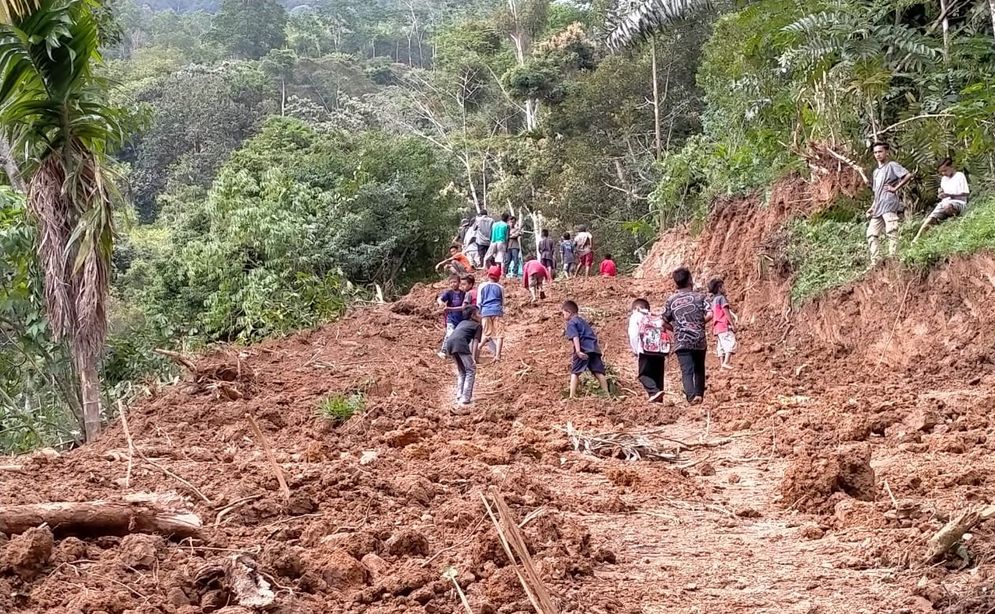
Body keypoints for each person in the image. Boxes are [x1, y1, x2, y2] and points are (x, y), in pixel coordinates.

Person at [663, 267, 712, 404]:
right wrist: (699, 324)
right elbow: (710, 314)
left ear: (675, 283)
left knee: (686, 370)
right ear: (690, 280)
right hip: (699, 339)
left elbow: (663, 321)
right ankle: (699, 395)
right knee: (699, 368)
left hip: (681, 340)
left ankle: (691, 397)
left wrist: (675, 329)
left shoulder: (671, 300)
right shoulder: (700, 297)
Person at [867, 142, 913, 265]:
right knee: (871, 234)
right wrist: (872, 207)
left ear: (886, 152)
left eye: (880, 151)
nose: (878, 154)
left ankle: (894, 257)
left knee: (892, 230)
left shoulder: (892, 165)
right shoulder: (876, 172)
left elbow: (908, 175)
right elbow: (876, 192)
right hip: (878, 207)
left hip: (889, 202)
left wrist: (895, 188)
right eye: (875, 152)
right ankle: (875, 262)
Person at [914, 158, 970, 242]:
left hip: (959, 202)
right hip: (944, 202)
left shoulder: (959, 176)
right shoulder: (944, 179)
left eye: (945, 170)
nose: (944, 173)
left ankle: (956, 223)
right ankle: (916, 239)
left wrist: (949, 195)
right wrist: (941, 194)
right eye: (942, 172)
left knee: (948, 207)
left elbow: (965, 194)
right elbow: (944, 193)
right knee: (930, 218)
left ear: (951, 167)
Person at [562, 300, 609, 399]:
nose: (563, 315)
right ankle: (607, 395)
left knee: (575, 373)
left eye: (563, 313)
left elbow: (575, 337)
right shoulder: (582, 321)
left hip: (583, 349)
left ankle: (571, 396)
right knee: (599, 372)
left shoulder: (571, 323)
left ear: (569, 312)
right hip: (594, 349)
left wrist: (578, 351)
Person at [628, 299, 670, 403]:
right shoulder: (656, 316)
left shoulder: (636, 316)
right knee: (658, 376)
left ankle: (653, 392)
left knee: (644, 375)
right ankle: (659, 400)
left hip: (645, 349)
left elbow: (633, 334)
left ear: (636, 308)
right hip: (660, 350)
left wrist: (636, 350)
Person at [444, 304, 483, 407]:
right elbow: (475, 343)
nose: (481, 315)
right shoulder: (478, 326)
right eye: (479, 313)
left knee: (462, 371)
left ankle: (459, 394)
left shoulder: (462, 323)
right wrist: (474, 358)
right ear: (473, 315)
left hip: (450, 343)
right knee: (471, 370)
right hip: (460, 344)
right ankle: (465, 397)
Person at [707, 277, 739, 370]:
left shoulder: (713, 301)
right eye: (723, 287)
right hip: (724, 325)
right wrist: (732, 324)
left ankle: (722, 366)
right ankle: (726, 362)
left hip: (716, 327)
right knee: (731, 343)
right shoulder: (721, 298)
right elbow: (726, 311)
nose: (725, 288)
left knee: (721, 346)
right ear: (720, 288)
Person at [477, 266, 505, 361]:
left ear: (488, 275)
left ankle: (477, 349)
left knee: (486, 333)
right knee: (499, 335)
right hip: (497, 311)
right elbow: (502, 302)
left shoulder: (482, 286)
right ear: (498, 277)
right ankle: (498, 356)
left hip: (485, 311)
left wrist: (481, 311)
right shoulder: (500, 288)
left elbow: (479, 301)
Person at [436, 275, 467, 358]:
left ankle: (457, 352)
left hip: (460, 318)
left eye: (455, 282)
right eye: (451, 283)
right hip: (451, 318)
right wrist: (440, 302)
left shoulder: (463, 294)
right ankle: (443, 351)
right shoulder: (449, 293)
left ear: (459, 283)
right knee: (449, 334)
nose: (453, 284)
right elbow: (440, 299)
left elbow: (464, 306)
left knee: (459, 336)